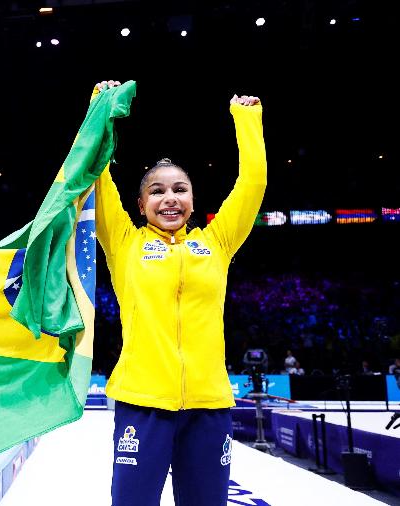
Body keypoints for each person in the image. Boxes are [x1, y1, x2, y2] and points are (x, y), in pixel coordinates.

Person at [94, 80, 266, 505]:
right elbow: (95, 176)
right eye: (157, 191)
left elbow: (252, 185)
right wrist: (100, 110)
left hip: (209, 406)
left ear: (192, 200)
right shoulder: (124, 243)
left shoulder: (217, 242)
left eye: (179, 190)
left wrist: (247, 121)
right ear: (140, 204)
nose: (169, 198)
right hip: (142, 404)